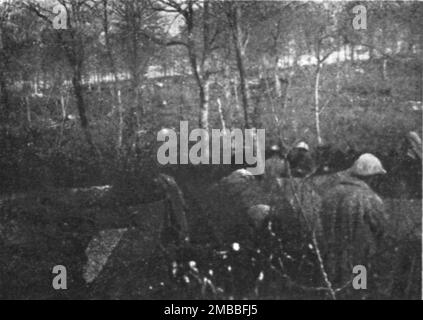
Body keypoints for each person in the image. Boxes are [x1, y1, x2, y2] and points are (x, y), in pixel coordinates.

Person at [317, 153, 388, 297]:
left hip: (331, 258)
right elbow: (381, 227)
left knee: (332, 292)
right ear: (372, 177)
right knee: (358, 292)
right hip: (359, 261)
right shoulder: (370, 198)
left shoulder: (330, 194)